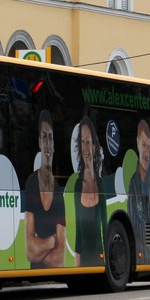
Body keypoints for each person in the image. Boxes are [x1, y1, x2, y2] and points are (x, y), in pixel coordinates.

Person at [23, 110, 66, 268]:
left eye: (50, 137)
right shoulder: (31, 183)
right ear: (39, 143)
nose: (47, 144)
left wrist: (39, 245)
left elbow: (60, 259)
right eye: (44, 137)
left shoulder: (59, 191)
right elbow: (30, 251)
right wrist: (52, 241)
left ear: (54, 144)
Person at [72, 116, 105, 267]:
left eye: (88, 141)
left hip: (100, 260)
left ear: (93, 146)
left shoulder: (101, 185)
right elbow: (78, 236)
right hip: (83, 261)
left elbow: (106, 229)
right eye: (82, 142)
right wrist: (76, 270)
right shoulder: (77, 186)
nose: (85, 148)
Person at [128, 120, 150, 264]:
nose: (147, 152)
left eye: (149, 147)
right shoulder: (133, 184)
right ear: (137, 144)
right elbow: (136, 223)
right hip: (141, 253)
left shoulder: (149, 183)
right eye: (143, 146)